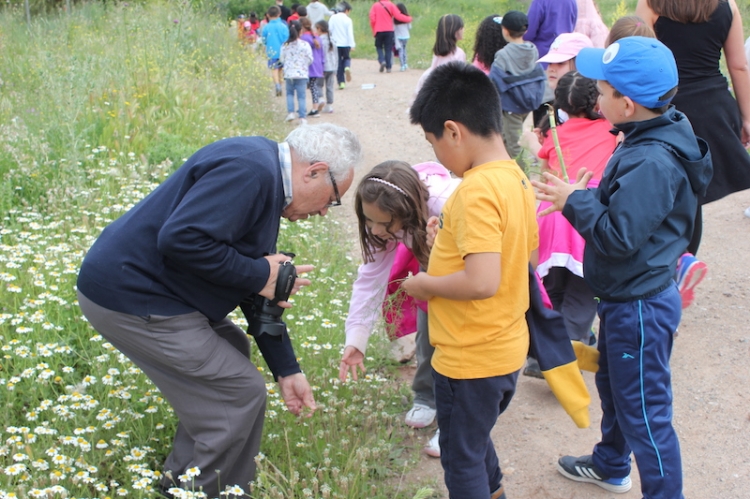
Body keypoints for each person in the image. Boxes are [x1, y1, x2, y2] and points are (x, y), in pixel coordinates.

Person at [76, 124, 363, 498]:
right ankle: (208, 492)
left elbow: (249, 279)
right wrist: (260, 272)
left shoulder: (265, 174)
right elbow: (181, 238)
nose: (326, 211)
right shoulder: (250, 173)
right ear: (315, 171)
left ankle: (181, 482)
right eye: (333, 198)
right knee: (238, 392)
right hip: (132, 295)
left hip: (151, 291)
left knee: (229, 347)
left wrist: (287, 368)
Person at [533, 36, 712, 499]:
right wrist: (585, 197)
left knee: (646, 414)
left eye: (604, 89)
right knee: (616, 389)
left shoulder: (652, 159)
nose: (597, 95)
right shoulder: (653, 132)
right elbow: (635, 218)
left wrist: (577, 203)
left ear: (627, 104)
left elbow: (616, 237)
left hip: (638, 305)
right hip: (626, 295)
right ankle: (612, 464)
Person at [405, 61, 539, 499]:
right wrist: (446, 235)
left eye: (433, 143)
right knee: (475, 439)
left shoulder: (476, 190)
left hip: (469, 356)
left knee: (460, 459)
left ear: (454, 130)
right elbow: (524, 253)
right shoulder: (515, 178)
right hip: (502, 348)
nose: (438, 156)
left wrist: (425, 286)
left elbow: (482, 281)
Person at [338, 160, 461, 455]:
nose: (376, 230)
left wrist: (434, 283)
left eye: (385, 223)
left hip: (465, 279)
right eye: (369, 220)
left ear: (407, 212)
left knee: (456, 350)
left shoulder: (450, 206)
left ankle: (454, 421)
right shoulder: (385, 219)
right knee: (427, 337)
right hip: (431, 272)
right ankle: (426, 398)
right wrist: (356, 340)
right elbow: (369, 283)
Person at [637, 0, 750, 308]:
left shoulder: (652, 4)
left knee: (659, 194)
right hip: (712, 111)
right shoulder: (728, 7)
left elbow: (639, 57)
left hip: (665, 109)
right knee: (692, 198)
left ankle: (658, 278)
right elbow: (738, 65)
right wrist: (746, 116)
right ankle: (682, 265)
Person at [524, 71, 617, 378]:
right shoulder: (612, 131)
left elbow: (543, 164)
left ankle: (546, 350)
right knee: (584, 287)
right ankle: (563, 354)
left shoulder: (555, 135)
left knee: (554, 286)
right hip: (587, 213)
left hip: (552, 213)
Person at [489, 11, 545, 167]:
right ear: (525, 30)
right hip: (527, 102)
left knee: (514, 145)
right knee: (508, 137)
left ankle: (522, 177)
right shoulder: (532, 49)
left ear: (505, 30)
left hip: (510, 106)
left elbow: (494, 81)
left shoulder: (503, 54)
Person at [525, 0, 579, 128]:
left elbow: (529, 32)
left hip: (544, 60)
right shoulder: (571, 2)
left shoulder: (541, 2)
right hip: (565, 61)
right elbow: (572, 24)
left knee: (543, 113)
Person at [412, 15, 466, 100]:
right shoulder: (459, 53)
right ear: (455, 31)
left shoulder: (437, 51)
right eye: (461, 28)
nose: (463, 30)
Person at [281, 23, 313, 124]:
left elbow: (282, 59)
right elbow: (310, 59)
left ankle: (291, 113)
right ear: (300, 31)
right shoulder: (305, 44)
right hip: (302, 73)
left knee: (290, 94)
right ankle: (302, 117)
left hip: (289, 73)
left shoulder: (285, 45)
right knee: (301, 96)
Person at [369, 0, 412, 73]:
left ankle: (382, 61)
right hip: (389, 30)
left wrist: (374, 30)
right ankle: (388, 67)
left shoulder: (375, 6)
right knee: (388, 48)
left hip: (379, 30)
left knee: (379, 46)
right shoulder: (391, 5)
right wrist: (409, 19)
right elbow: (398, 16)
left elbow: (372, 19)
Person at [262, 5, 290, 97]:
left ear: (268, 15)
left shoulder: (266, 27)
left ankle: (277, 85)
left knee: (274, 69)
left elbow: (264, 40)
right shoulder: (284, 26)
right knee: (281, 69)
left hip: (271, 51)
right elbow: (287, 39)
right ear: (280, 14)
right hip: (283, 52)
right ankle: (281, 84)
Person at [299, 18, 325, 118]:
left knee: (302, 87)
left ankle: (302, 108)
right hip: (317, 65)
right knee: (313, 87)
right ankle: (315, 108)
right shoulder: (317, 37)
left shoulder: (303, 38)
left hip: (307, 66)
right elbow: (322, 54)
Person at [329, 2, 355, 89]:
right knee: (347, 58)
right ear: (346, 10)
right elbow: (350, 34)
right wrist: (352, 44)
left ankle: (341, 82)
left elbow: (330, 30)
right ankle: (347, 67)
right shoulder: (348, 19)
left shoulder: (333, 17)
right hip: (346, 43)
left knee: (338, 63)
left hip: (336, 44)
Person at [315, 19, 338, 114]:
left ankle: (320, 98)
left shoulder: (319, 41)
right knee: (329, 86)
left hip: (322, 67)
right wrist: (336, 68)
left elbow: (320, 56)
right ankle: (329, 105)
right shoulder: (332, 40)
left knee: (318, 84)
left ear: (319, 29)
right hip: (332, 67)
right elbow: (336, 55)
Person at [394, 3, 411, 71]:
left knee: (400, 51)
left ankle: (402, 65)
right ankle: (405, 63)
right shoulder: (407, 18)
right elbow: (409, 27)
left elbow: (393, 29)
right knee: (404, 49)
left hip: (398, 37)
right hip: (406, 36)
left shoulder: (395, 19)